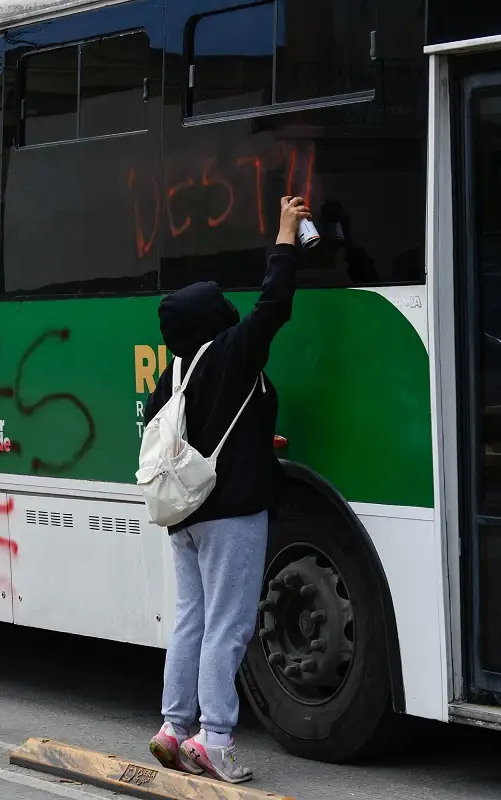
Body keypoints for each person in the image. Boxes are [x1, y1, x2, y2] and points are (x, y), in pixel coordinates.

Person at [144, 196, 310, 783]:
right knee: (229, 626)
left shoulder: (173, 373)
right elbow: (274, 305)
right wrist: (285, 236)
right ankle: (214, 739)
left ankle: (173, 728)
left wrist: (254, 439)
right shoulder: (232, 353)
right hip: (231, 514)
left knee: (190, 619)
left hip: (185, 515)